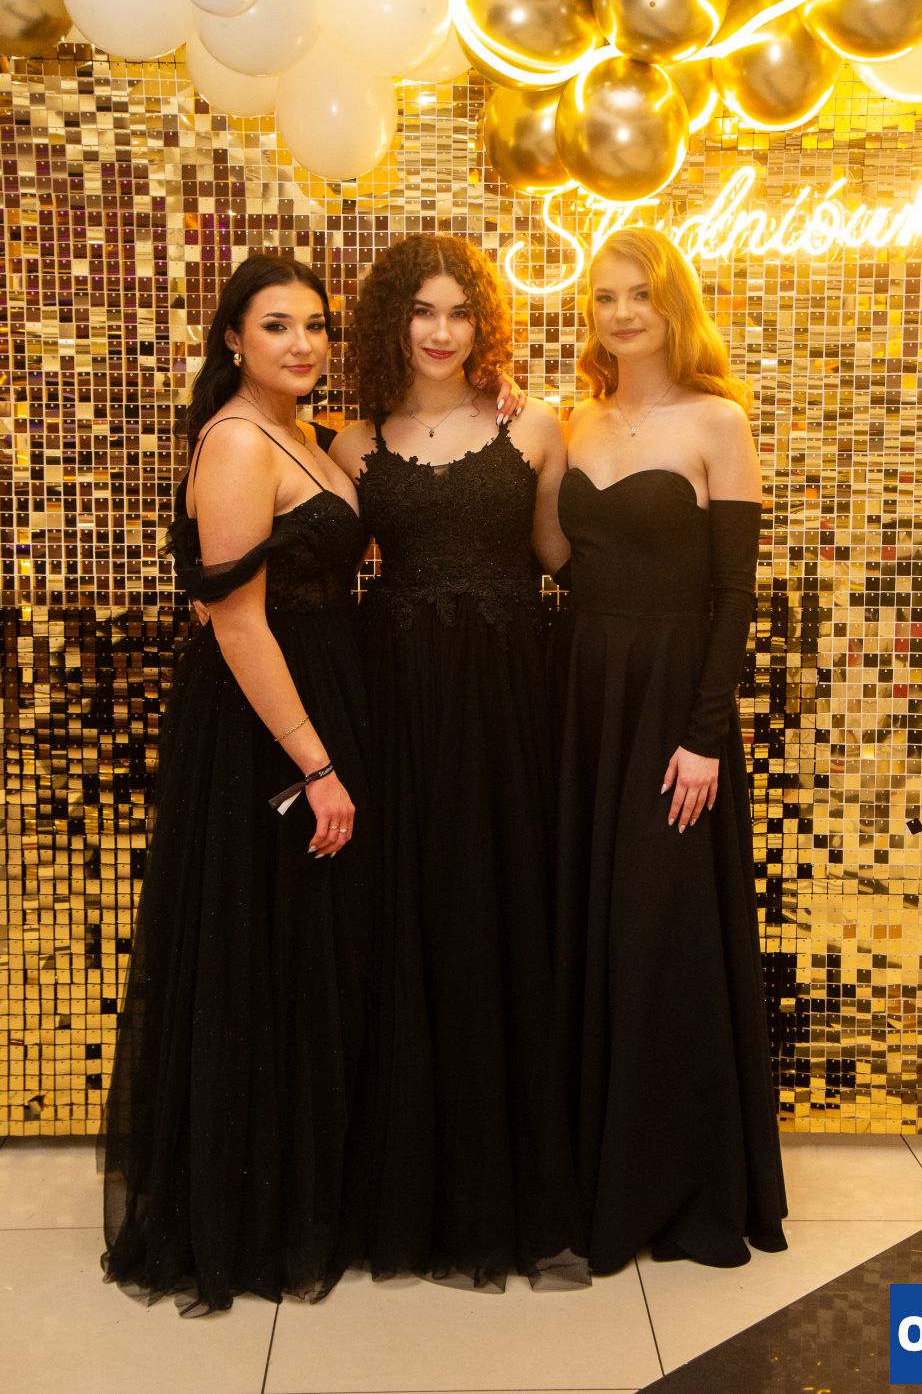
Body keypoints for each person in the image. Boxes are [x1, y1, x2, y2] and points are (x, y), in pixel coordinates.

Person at [101, 256, 378, 1315]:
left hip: (323, 701)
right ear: (232, 339)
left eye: (315, 325)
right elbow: (236, 623)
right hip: (269, 730)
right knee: (263, 955)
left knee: (314, 952)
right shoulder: (233, 441)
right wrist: (315, 764)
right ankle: (250, 1218)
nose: (302, 343)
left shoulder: (303, 433)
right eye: (276, 326)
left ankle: (313, 1194)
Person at [330, 234, 589, 1292]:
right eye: (420, 311)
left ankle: (510, 1186)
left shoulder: (535, 424)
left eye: (459, 312)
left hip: (507, 700)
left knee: (503, 909)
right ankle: (412, 1188)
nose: (440, 332)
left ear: (484, 322)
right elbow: (321, 570)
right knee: (413, 916)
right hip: (397, 705)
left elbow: (562, 556)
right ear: (391, 321)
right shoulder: (351, 440)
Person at [550, 227, 788, 1275]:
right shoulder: (574, 419)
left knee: (660, 937)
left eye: (640, 294)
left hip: (671, 703)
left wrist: (704, 737)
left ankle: (682, 1186)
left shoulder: (717, 420)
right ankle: (591, 1173)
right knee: (590, 927)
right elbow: (560, 556)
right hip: (582, 692)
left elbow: (733, 595)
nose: (621, 313)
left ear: (673, 304)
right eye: (605, 297)